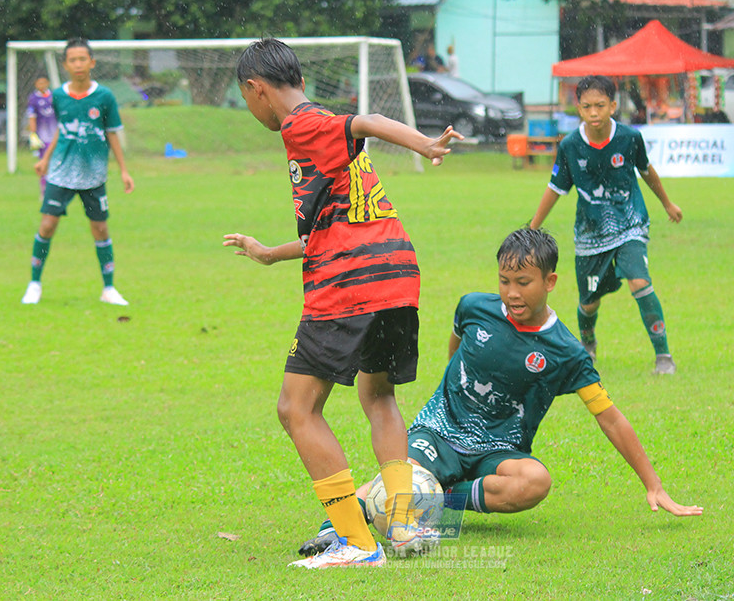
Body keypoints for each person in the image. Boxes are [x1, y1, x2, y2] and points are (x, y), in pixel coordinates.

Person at [297, 228, 703, 557]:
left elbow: (609, 417)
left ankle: (439, 497)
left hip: (497, 450)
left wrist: (653, 484)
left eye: (523, 283)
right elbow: (454, 352)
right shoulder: (474, 307)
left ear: (550, 281)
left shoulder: (567, 352)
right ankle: (336, 529)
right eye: (505, 281)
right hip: (440, 432)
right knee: (404, 475)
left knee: (534, 480)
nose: (512, 292)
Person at [222, 38, 461, 570]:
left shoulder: (302, 125)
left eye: (246, 98)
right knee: (378, 397)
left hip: (350, 283)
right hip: (396, 273)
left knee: (297, 407)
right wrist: (269, 254)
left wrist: (422, 144)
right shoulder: (320, 140)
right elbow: (331, 228)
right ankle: (401, 524)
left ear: (255, 89)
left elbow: (369, 121)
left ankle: (357, 542)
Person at [528, 75, 683, 375]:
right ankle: (588, 344)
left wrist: (667, 203)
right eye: (587, 107)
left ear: (613, 106)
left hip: (630, 224)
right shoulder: (571, 145)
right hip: (590, 234)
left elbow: (646, 170)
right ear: (579, 108)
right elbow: (556, 188)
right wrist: (533, 227)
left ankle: (663, 356)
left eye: (600, 105)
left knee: (640, 282)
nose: (594, 113)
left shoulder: (629, 138)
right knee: (589, 303)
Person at [21, 38, 134, 306]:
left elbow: (112, 134)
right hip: (60, 173)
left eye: (83, 59)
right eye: (73, 59)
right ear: (65, 65)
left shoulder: (104, 97)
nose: (78, 64)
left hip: (94, 176)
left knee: (101, 229)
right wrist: (46, 159)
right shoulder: (58, 96)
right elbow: (63, 129)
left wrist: (124, 171)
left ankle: (108, 289)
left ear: (92, 62)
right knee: (47, 225)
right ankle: (34, 284)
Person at [25, 76, 56, 198]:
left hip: (56, 137)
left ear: (48, 83)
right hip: (43, 138)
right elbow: (31, 117)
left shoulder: (54, 97)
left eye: (44, 82)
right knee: (44, 163)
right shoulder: (33, 99)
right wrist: (33, 135)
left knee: (56, 163)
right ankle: (44, 191)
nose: (42, 85)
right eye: (39, 83)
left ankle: (57, 191)